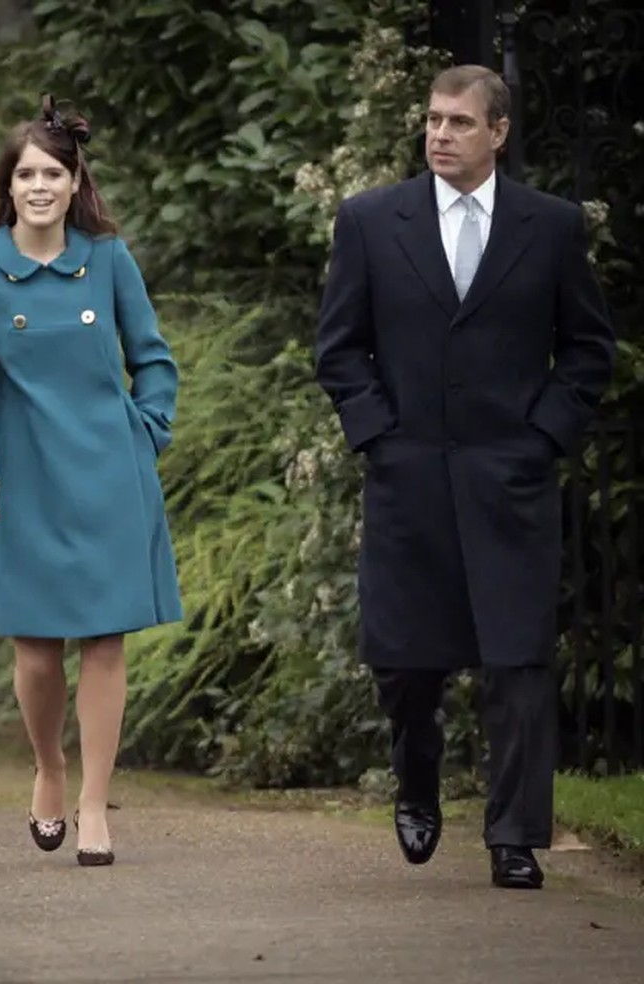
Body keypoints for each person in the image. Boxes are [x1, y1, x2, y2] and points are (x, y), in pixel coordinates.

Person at [314, 65, 614, 889]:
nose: (440, 134)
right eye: (433, 121)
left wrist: (543, 437)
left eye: (458, 122)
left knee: (517, 661)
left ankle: (514, 836)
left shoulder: (549, 227)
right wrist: (379, 437)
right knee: (408, 664)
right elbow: (339, 348)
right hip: (407, 478)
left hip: (510, 479)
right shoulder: (373, 221)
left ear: (499, 133)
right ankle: (417, 782)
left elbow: (589, 348)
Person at [0, 95, 182, 867]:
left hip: (109, 475)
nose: (40, 186)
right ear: (7, 187)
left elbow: (153, 358)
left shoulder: (107, 259)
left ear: (75, 180)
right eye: (26, 174)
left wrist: (144, 435)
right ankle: (49, 768)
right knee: (38, 651)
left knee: (105, 643)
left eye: (53, 172)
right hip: (21, 479)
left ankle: (93, 805)